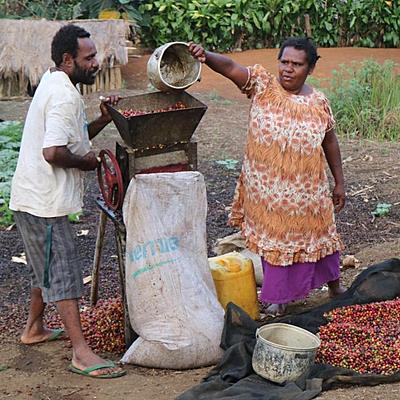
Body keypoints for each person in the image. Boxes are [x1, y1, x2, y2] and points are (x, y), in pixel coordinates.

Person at [189, 37, 346, 316]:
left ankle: (334, 286)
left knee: (320, 237)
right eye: (284, 62)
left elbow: (330, 141)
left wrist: (340, 182)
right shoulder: (263, 86)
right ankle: (279, 298)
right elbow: (231, 67)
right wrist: (206, 55)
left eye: (296, 64)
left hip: (309, 191)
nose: (288, 69)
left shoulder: (319, 102)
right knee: (276, 244)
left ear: (309, 69)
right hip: (268, 192)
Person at [10, 24, 126, 378]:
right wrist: (89, 163)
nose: (96, 63)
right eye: (88, 58)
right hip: (44, 203)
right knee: (63, 272)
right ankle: (80, 352)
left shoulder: (53, 81)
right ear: (67, 59)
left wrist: (103, 120)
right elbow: (54, 151)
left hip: (31, 198)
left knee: (42, 266)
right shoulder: (64, 96)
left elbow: (69, 138)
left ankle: (33, 329)